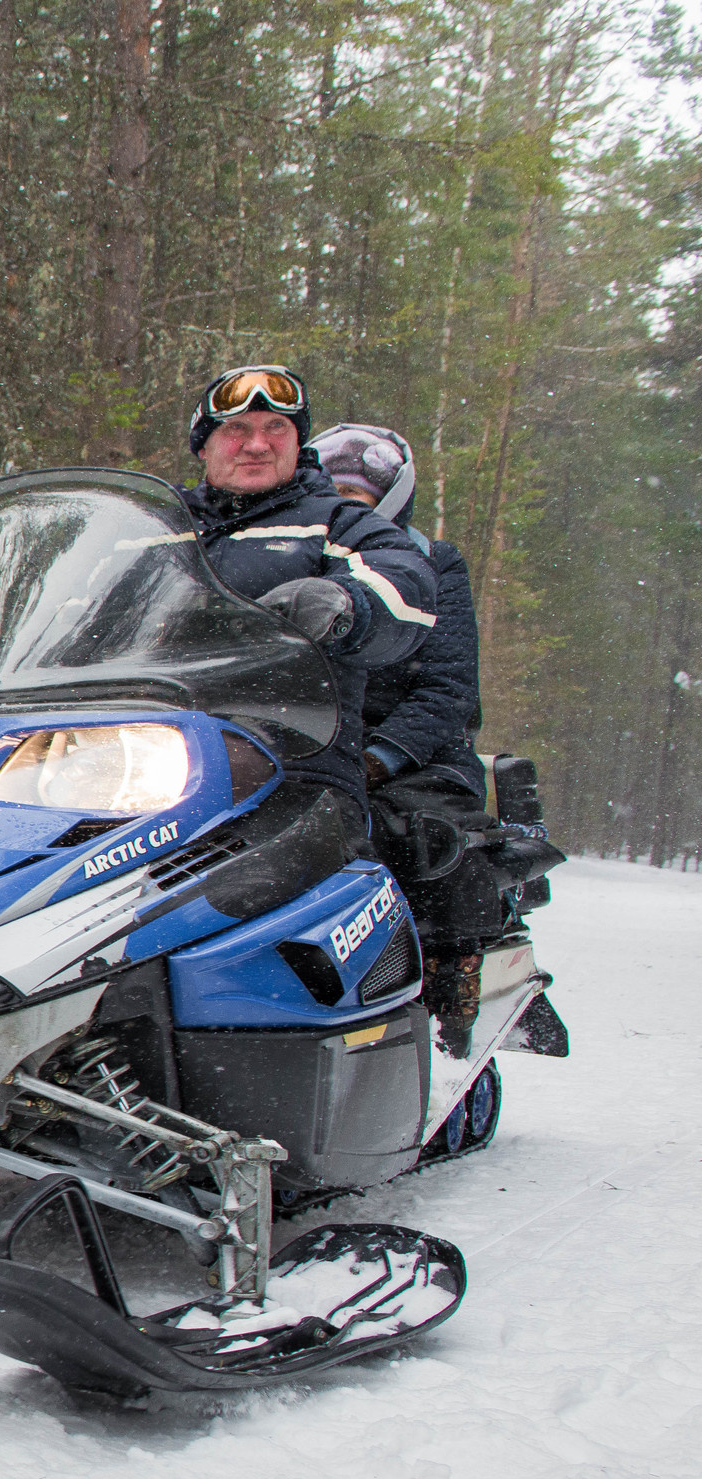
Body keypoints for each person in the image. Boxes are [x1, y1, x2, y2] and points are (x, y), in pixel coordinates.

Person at [310, 422, 502, 1054]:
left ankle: (450, 983)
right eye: (336, 494)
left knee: (415, 837)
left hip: (412, 756)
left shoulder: (434, 564)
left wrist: (380, 756)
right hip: (302, 744)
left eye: (360, 497)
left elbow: (449, 688)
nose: (347, 506)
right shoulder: (289, 554)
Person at [178, 365, 440, 806]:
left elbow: (406, 585)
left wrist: (346, 603)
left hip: (295, 769)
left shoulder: (338, 522)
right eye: (237, 428)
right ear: (204, 445)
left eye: (276, 428)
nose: (257, 444)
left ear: (298, 442)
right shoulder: (158, 525)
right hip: (146, 750)